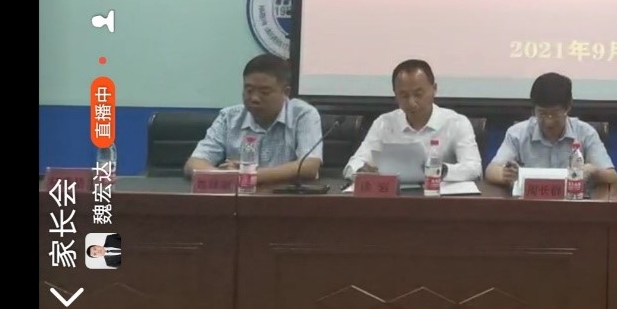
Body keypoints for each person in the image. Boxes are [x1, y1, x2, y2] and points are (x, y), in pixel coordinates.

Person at [185, 54, 323, 184]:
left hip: (286, 198)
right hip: (238, 198)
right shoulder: (229, 117)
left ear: (285, 92)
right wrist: (226, 176)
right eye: (249, 90)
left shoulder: (303, 115)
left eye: (264, 92)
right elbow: (195, 163)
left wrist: (248, 175)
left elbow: (309, 166)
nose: (254, 98)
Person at [344, 59, 481, 182]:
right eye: (404, 96)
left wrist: (440, 170)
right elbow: (354, 164)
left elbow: (474, 169)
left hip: (439, 197)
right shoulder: (384, 123)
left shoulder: (456, 123)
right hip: (394, 198)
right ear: (395, 95)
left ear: (434, 89)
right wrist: (361, 173)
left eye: (418, 94)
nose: (411, 102)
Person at [485, 72, 617, 190]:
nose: (549, 122)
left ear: (568, 107)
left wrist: (594, 171)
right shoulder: (517, 133)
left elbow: (613, 177)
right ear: (534, 109)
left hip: (574, 205)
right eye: (542, 114)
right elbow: (491, 170)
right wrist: (505, 175)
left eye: (555, 114)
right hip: (529, 205)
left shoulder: (585, 133)